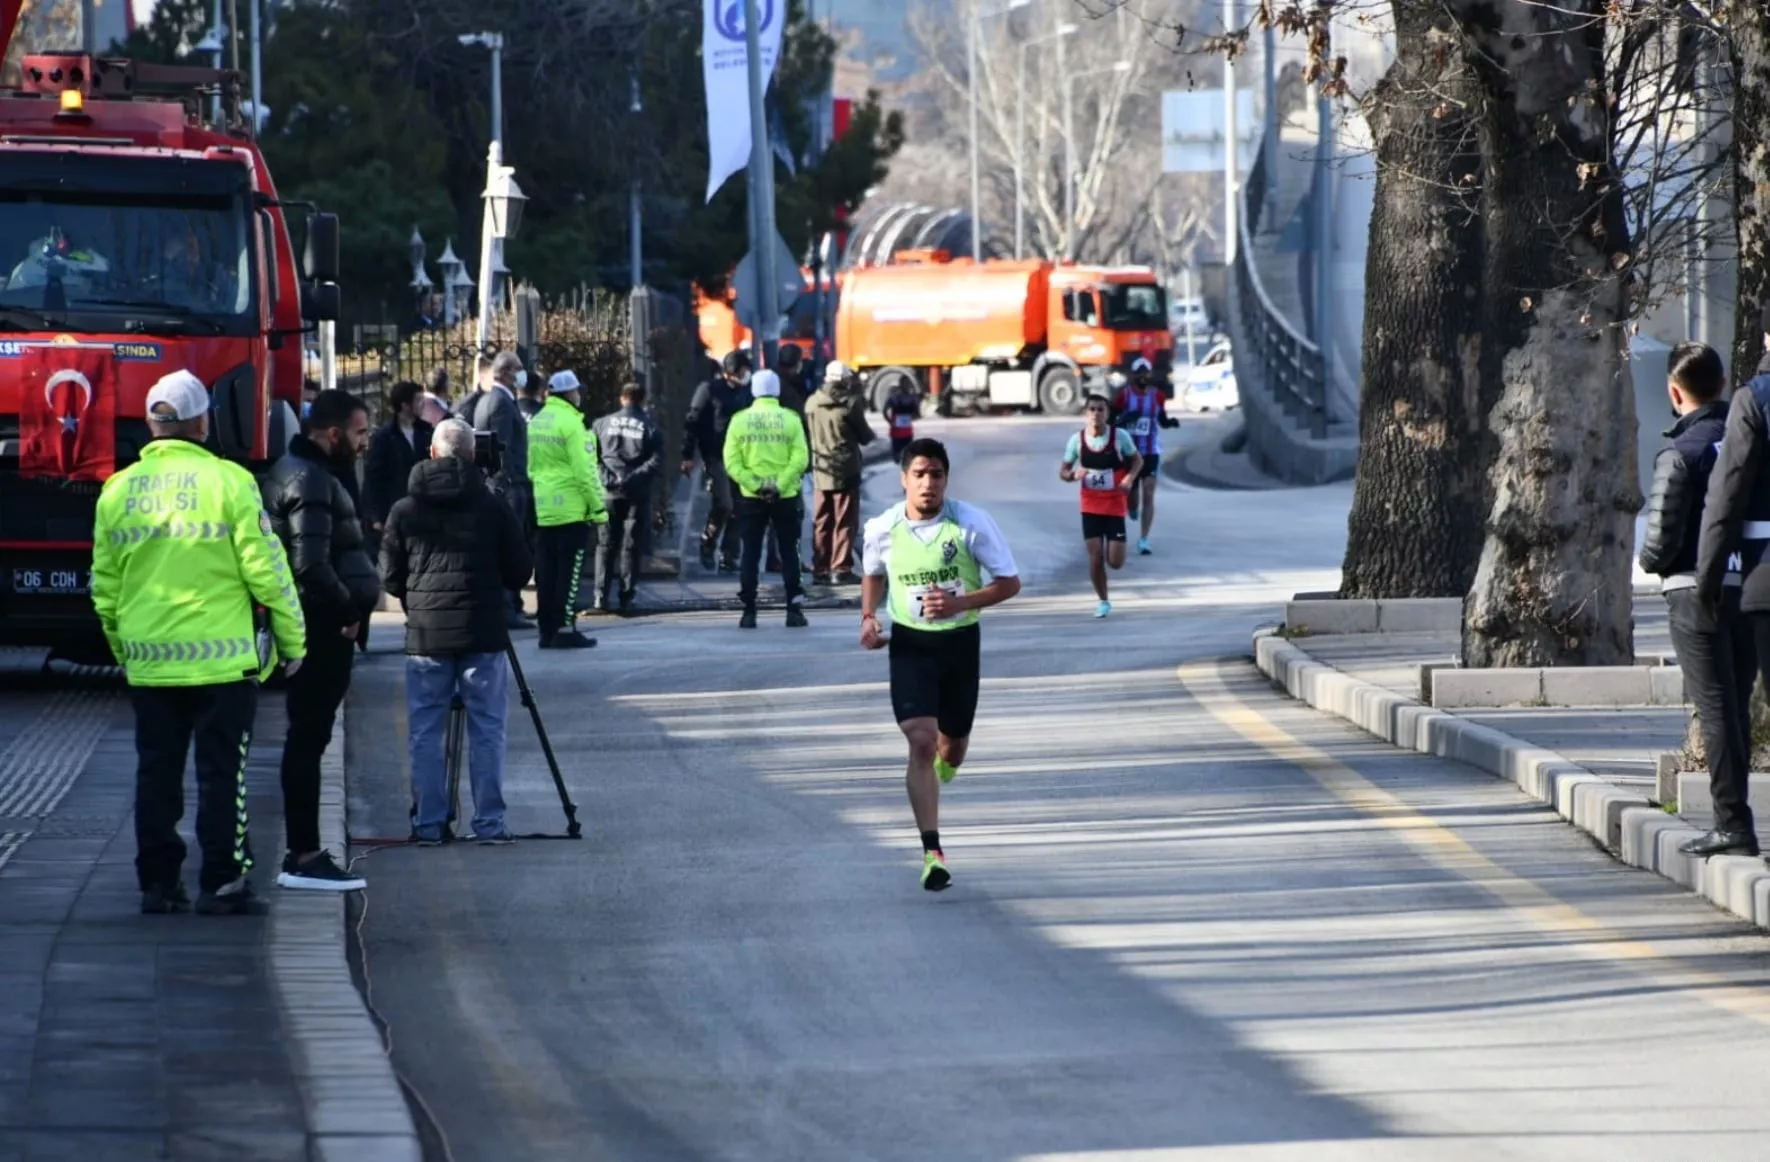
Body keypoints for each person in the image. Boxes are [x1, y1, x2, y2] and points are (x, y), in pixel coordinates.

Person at [92, 371, 306, 916]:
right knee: (223, 776)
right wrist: (292, 641)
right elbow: (267, 570)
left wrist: (123, 647)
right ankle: (223, 880)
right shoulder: (230, 482)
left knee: (155, 775)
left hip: (149, 666)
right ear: (202, 422)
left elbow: (105, 586)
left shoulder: (116, 491)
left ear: (150, 423)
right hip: (222, 664)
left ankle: (158, 885)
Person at [860, 438, 1021, 891]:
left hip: (960, 644)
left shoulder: (971, 524)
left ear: (946, 479)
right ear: (904, 480)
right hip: (911, 645)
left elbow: (1009, 584)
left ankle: (943, 770)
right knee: (921, 742)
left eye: (936, 475)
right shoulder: (883, 528)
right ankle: (932, 851)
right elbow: (873, 573)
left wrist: (959, 604)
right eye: (919, 474)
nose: (928, 483)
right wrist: (868, 617)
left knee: (952, 748)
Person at [379, 419, 533, 845]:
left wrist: (417, 596)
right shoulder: (492, 505)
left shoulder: (405, 510)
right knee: (487, 729)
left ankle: (428, 823)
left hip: (427, 635)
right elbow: (521, 570)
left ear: (431, 454)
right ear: (472, 456)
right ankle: (489, 824)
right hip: (483, 634)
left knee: (426, 732)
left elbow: (390, 578)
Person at [262, 389, 381, 892]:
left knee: (310, 737)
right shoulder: (311, 479)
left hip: (324, 626)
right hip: (322, 629)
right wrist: (349, 611)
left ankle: (305, 850)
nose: (364, 443)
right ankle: (305, 854)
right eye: (358, 433)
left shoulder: (311, 472)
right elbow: (309, 562)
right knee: (308, 739)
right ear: (332, 434)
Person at [1645, 343, 1756, 859]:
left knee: (1714, 709)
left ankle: (1731, 823)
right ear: (1721, 385)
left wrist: (1651, 562)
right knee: (1737, 706)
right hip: (1750, 585)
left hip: (1693, 590)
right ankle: (1737, 820)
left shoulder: (1680, 452)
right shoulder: (1745, 439)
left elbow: (1661, 538)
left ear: (1674, 392)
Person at [722, 369, 809, 629]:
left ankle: (748, 611)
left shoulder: (739, 420)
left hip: (751, 497)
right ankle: (794, 610)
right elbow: (801, 458)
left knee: (750, 553)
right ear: (778, 391)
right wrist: (779, 485)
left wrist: (757, 485)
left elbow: (731, 461)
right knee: (789, 552)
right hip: (785, 497)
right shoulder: (790, 419)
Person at [528, 369, 607, 649]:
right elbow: (585, 473)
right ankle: (565, 627)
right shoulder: (574, 424)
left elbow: (532, 466)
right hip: (571, 508)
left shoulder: (537, 421)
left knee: (546, 572)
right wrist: (599, 510)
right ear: (569, 394)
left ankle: (546, 629)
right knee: (569, 572)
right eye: (577, 391)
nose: (580, 396)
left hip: (543, 506)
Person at [1060, 393, 1142, 618]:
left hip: (1115, 504)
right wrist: (1073, 475)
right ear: (1086, 414)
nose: (1096, 414)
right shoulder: (1077, 440)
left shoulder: (1119, 437)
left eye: (1101, 409)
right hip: (1090, 505)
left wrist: (1129, 478)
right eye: (1092, 409)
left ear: (1107, 413)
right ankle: (1103, 600)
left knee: (1115, 562)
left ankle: (1134, 505)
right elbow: (1063, 471)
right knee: (1095, 555)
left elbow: (1137, 460)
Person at [467, 352, 534, 628]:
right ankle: (507, 607)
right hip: (507, 486)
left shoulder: (490, 400)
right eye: (518, 369)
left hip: (503, 484)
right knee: (510, 545)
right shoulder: (501, 403)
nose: (522, 375)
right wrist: (509, 482)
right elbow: (502, 448)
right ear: (506, 372)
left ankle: (512, 604)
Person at [592, 381, 664, 614]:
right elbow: (656, 461)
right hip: (637, 493)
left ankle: (600, 598)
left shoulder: (600, 424)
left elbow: (592, 457)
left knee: (605, 544)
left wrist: (608, 478)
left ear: (622, 399)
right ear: (643, 400)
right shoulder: (650, 427)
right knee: (630, 546)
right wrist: (633, 478)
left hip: (608, 493)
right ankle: (626, 597)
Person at [682, 350, 754, 573]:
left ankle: (729, 555)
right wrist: (687, 455)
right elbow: (692, 422)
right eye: (742, 371)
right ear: (731, 372)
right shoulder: (709, 390)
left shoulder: (745, 392)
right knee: (724, 503)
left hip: (742, 457)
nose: (745, 375)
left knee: (740, 507)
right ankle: (708, 540)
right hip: (715, 455)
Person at [808, 360, 876, 585]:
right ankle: (841, 568)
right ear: (845, 379)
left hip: (821, 470)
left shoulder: (812, 403)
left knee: (822, 521)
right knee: (845, 521)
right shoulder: (851, 403)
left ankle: (820, 569)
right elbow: (865, 436)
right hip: (846, 469)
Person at [361, 381, 434, 562]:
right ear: (404, 405)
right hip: (396, 506)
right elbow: (374, 479)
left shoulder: (426, 432)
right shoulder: (384, 438)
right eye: (418, 400)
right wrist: (377, 517)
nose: (422, 404)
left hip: (424, 506)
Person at [1113, 358, 1179, 555]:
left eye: (1146, 372)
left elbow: (1161, 419)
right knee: (1133, 497)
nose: (1143, 376)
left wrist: (1170, 422)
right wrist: (1124, 419)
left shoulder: (1158, 396)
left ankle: (1143, 539)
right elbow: (1112, 421)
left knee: (1149, 493)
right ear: (1133, 375)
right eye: (1139, 373)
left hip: (1151, 451)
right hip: (1130, 454)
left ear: (1150, 375)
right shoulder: (1123, 396)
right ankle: (1132, 508)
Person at [883, 381, 920, 462]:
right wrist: (910, 417)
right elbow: (917, 414)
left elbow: (885, 410)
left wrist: (890, 421)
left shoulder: (894, 398)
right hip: (905, 432)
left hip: (898, 431)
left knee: (898, 457)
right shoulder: (912, 398)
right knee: (906, 457)